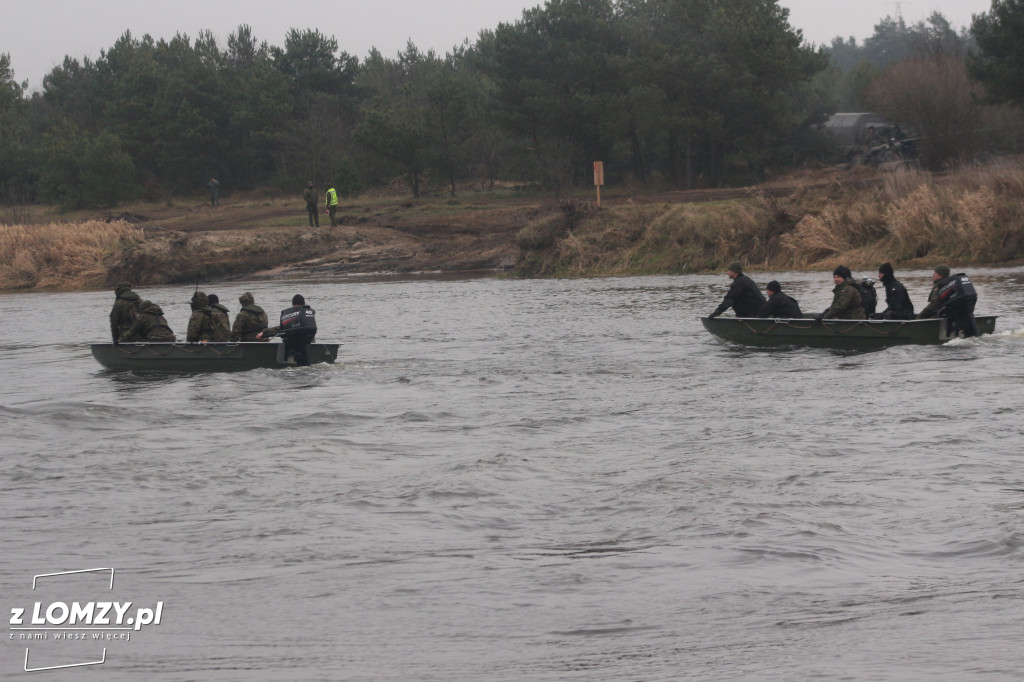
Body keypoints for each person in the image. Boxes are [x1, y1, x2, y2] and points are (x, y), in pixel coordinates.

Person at [917, 265, 979, 337]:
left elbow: (933, 305)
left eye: (935, 273)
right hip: (956, 316)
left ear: (939, 275)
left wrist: (918, 318)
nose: (933, 275)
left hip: (944, 316)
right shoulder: (950, 284)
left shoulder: (939, 286)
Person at [258, 294, 317, 366]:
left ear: (295, 304)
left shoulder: (295, 317)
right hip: (309, 349)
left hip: (296, 353)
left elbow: (281, 328)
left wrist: (264, 332)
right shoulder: (307, 318)